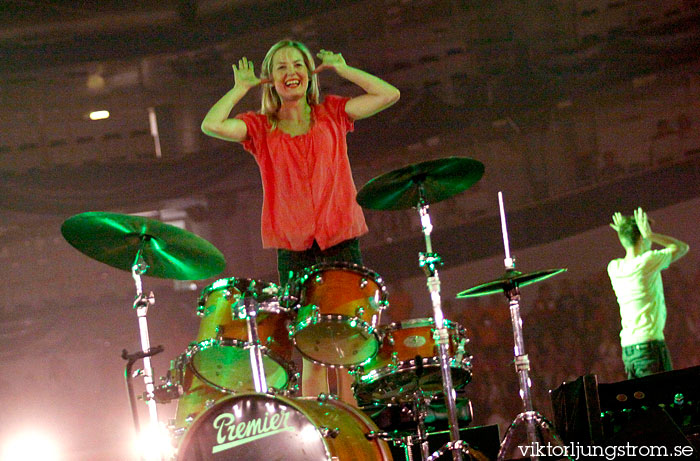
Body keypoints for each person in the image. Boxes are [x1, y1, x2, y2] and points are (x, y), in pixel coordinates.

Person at [200, 39, 400, 404]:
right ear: (270, 80)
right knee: (313, 352)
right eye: (281, 67)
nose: (291, 72)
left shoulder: (334, 113)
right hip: (294, 251)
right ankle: (323, 438)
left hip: (340, 240)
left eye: (298, 65)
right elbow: (211, 124)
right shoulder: (260, 127)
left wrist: (343, 69)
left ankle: (355, 438)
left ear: (309, 74)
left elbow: (389, 94)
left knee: (347, 348)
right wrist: (240, 89)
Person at [607, 207, 689, 379]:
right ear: (642, 238)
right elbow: (681, 248)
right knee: (660, 402)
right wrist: (651, 235)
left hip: (629, 349)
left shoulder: (614, 267)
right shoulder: (646, 263)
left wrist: (625, 232)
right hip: (649, 347)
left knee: (642, 402)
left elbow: (629, 242)